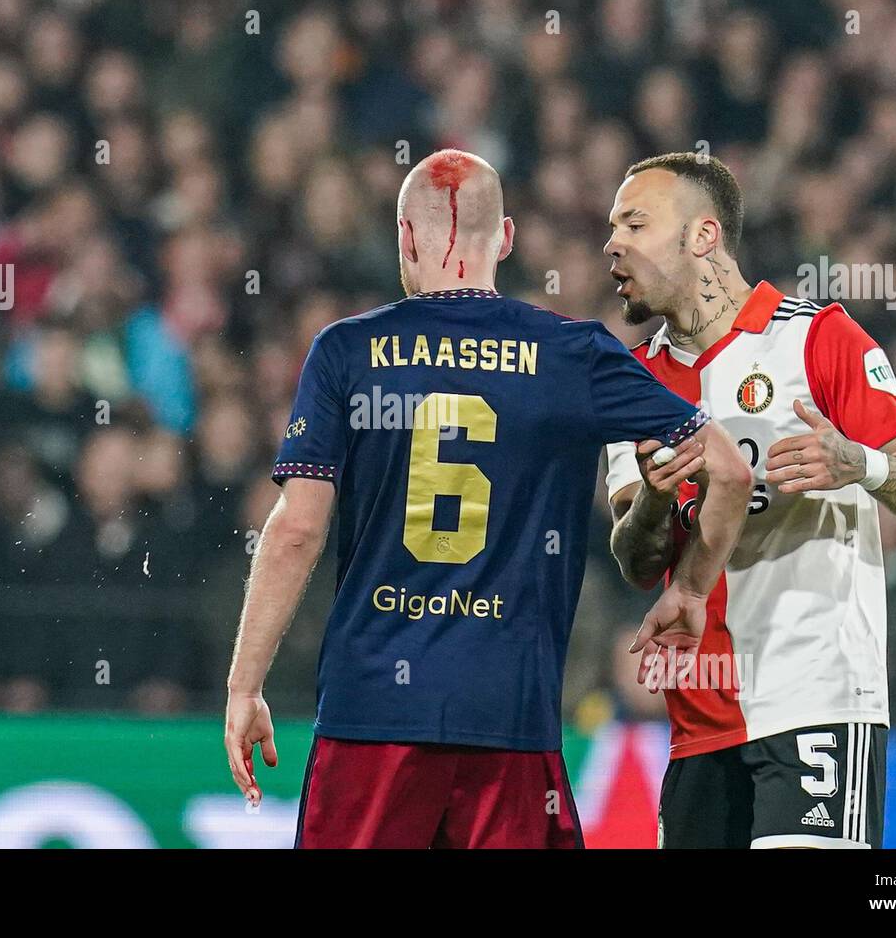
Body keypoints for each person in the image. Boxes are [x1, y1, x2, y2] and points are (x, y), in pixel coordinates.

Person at [224, 149, 752, 848]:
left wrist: (244, 686)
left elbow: (295, 532)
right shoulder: (572, 354)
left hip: (371, 715)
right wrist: (688, 586)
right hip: (511, 720)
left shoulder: (347, 352)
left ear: (406, 239)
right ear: (503, 239)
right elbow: (729, 467)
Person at [603, 152, 896, 848]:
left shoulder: (815, 337)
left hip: (816, 700)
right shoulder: (632, 381)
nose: (612, 243)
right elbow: (636, 560)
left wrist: (859, 462)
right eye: (612, 227)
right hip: (698, 724)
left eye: (635, 223)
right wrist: (651, 498)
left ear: (702, 237)